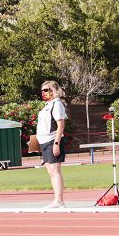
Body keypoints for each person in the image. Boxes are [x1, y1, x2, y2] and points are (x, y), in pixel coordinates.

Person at [36, 80, 67, 208]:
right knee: (50, 171)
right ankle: (57, 199)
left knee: (55, 171)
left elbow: (60, 125)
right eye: (42, 90)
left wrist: (56, 143)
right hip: (44, 142)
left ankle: (59, 200)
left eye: (46, 90)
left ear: (53, 90)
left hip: (52, 140)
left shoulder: (57, 104)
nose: (44, 93)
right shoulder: (47, 105)